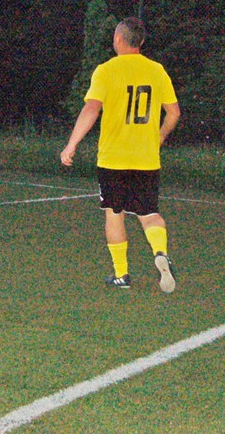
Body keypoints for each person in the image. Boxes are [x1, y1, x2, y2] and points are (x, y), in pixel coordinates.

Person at [60, 17, 180, 293]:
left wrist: (72, 144)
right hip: (146, 159)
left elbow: (91, 109)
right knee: (149, 214)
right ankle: (160, 251)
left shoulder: (106, 70)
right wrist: (160, 136)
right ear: (141, 42)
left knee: (114, 214)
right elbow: (174, 113)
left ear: (117, 39)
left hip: (113, 159)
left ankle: (121, 274)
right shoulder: (157, 71)